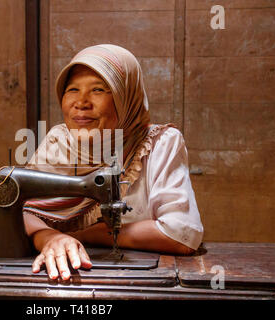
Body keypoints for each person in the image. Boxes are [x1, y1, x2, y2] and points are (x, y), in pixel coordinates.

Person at [23, 44, 204, 281]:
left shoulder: (161, 144)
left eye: (98, 90)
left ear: (126, 96)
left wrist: (80, 234)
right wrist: (50, 238)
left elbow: (181, 234)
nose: (81, 102)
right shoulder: (58, 141)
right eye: (72, 89)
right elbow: (22, 210)